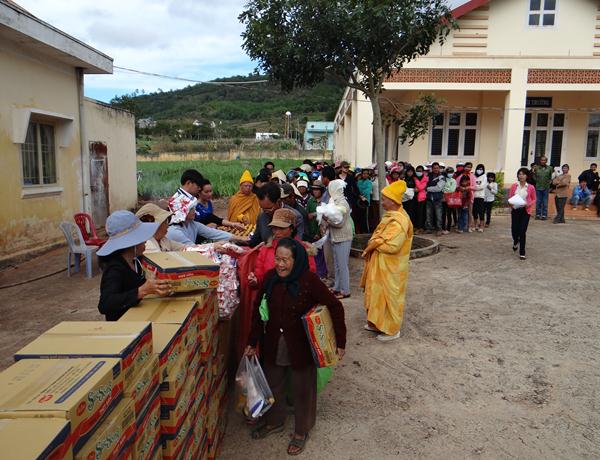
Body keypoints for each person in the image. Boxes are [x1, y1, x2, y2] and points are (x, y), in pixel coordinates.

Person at [245, 238, 346, 455]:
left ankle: (301, 431)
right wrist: (252, 341)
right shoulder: (270, 278)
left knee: (303, 388)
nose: (280, 264)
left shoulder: (309, 281)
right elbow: (258, 310)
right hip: (273, 342)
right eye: (277, 259)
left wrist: (340, 341)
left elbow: (335, 306)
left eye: (285, 260)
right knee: (273, 384)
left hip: (301, 346)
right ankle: (275, 421)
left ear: (296, 260)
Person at [360, 180, 413, 342]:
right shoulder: (391, 216)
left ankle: (391, 330)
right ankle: (377, 322)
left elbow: (392, 246)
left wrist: (374, 243)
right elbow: (381, 237)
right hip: (380, 265)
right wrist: (376, 242)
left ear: (393, 201)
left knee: (390, 297)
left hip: (391, 267)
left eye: (384, 199)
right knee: (377, 295)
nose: (382, 202)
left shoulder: (399, 221)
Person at [97, 210, 171, 321]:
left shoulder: (137, 261)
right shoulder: (114, 269)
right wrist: (142, 291)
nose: (146, 240)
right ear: (131, 243)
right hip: (123, 324)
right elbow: (105, 304)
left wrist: (156, 287)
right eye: (141, 237)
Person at [248, 208, 316, 288]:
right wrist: (255, 281)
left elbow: (310, 276)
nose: (277, 232)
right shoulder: (265, 250)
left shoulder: (304, 250)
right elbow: (259, 275)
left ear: (292, 229)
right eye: (274, 228)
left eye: (281, 228)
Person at [248, 182, 304, 248]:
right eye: (262, 208)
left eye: (269, 208)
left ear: (278, 201)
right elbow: (255, 240)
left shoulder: (295, 216)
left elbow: (298, 245)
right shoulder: (262, 216)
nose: (265, 211)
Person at [323, 179, 353, 299]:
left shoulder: (343, 203)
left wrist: (327, 219)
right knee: (337, 264)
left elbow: (339, 223)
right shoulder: (334, 201)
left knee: (342, 265)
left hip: (343, 237)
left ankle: (345, 290)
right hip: (335, 237)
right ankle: (337, 287)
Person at [167, 196, 234, 245]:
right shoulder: (175, 231)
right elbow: (193, 248)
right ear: (181, 212)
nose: (194, 211)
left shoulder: (192, 224)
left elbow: (212, 233)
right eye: (191, 209)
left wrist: (237, 238)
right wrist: (214, 245)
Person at [508, 168, 536, 260]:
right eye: (520, 174)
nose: (521, 176)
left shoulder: (531, 187)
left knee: (522, 230)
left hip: (525, 211)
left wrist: (528, 204)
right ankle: (516, 241)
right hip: (516, 210)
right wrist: (511, 203)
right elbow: (510, 197)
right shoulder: (514, 186)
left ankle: (522, 252)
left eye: (523, 174)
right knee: (514, 230)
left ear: (527, 176)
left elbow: (534, 199)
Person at [306, 181, 327, 279]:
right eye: (314, 189)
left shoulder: (325, 202)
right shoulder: (310, 202)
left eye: (317, 189)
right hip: (312, 231)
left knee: (323, 255)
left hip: (323, 232)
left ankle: (323, 273)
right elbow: (307, 216)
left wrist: (319, 233)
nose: (315, 191)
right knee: (314, 254)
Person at [425, 162, 445, 236]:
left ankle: (439, 229)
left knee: (438, 215)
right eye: (434, 168)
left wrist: (428, 188)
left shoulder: (442, 177)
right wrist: (430, 187)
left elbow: (438, 188)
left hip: (438, 198)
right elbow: (424, 185)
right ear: (432, 169)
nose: (436, 169)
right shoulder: (428, 176)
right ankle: (429, 228)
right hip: (429, 198)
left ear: (439, 168)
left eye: (437, 168)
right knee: (428, 214)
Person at [533, 156, 553, 220]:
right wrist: (537, 181)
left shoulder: (550, 168)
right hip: (538, 187)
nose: (543, 161)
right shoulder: (536, 168)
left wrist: (549, 183)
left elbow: (551, 177)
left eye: (544, 160)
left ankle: (544, 215)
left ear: (546, 161)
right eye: (542, 160)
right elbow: (534, 176)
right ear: (540, 161)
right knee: (538, 202)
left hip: (546, 187)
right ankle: (538, 214)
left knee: (545, 202)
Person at [356, 168, 373, 233]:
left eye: (366, 174)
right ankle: (361, 231)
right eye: (364, 173)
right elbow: (357, 190)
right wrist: (359, 194)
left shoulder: (369, 182)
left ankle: (366, 231)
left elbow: (367, 191)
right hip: (359, 202)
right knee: (360, 217)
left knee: (366, 218)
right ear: (361, 174)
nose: (365, 175)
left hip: (366, 202)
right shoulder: (359, 182)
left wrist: (360, 194)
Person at [472, 164, 488, 232]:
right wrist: (474, 187)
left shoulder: (484, 177)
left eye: (481, 169)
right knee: (474, 212)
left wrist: (474, 188)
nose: (479, 170)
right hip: (473, 196)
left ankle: (481, 226)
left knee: (481, 212)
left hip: (480, 197)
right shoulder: (473, 176)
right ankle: (475, 225)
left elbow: (482, 186)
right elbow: (472, 184)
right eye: (478, 169)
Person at [441, 166, 456, 234]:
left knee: (449, 214)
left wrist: (445, 190)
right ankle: (443, 228)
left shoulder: (453, 181)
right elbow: (441, 188)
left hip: (450, 199)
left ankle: (448, 229)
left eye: (451, 172)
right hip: (443, 199)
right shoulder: (443, 179)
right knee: (443, 214)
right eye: (449, 172)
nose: (450, 173)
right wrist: (447, 189)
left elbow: (452, 190)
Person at [414, 165, 428, 232]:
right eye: (417, 171)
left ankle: (420, 227)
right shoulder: (414, 177)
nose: (418, 172)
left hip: (421, 198)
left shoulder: (425, 178)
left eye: (420, 171)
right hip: (414, 198)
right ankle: (416, 226)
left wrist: (416, 180)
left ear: (423, 172)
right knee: (415, 213)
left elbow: (420, 187)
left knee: (421, 213)